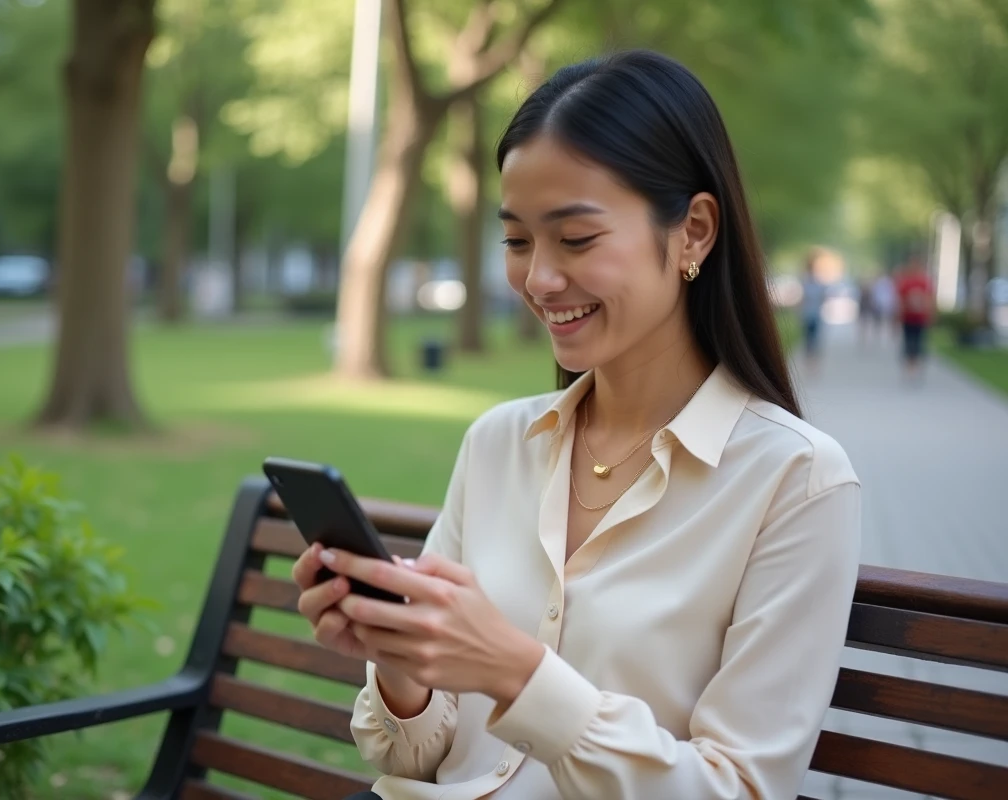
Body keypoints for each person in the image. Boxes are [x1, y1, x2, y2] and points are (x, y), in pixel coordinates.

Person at [294, 50, 861, 800]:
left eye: (577, 239)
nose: (539, 280)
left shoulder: (794, 481)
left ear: (693, 231)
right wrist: (402, 662)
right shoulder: (499, 443)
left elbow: (741, 788)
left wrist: (514, 673)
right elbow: (411, 760)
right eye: (518, 240)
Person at [895, 256, 934, 379]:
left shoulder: (924, 281)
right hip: (907, 317)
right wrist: (897, 315)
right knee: (908, 341)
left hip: (920, 318)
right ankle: (909, 366)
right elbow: (900, 300)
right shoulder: (905, 282)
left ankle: (916, 365)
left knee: (919, 342)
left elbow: (929, 299)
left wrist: (931, 314)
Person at [798, 252, 828, 369]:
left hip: (812, 314)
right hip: (810, 314)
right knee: (810, 339)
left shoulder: (810, 282)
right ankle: (811, 362)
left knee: (812, 339)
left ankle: (812, 362)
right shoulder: (807, 282)